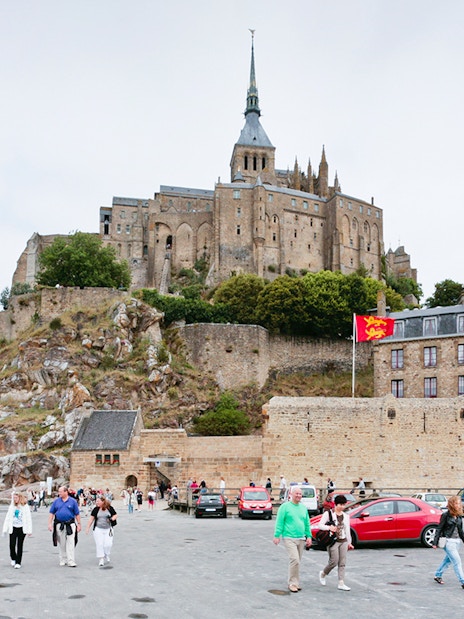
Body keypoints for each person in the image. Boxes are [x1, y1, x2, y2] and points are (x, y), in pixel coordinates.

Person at [273, 485, 312, 592]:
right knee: (294, 559)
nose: (299, 495)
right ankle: (292, 583)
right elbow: (279, 522)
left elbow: (307, 523)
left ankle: (295, 582)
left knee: (297, 561)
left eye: (300, 494)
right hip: (289, 537)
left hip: (301, 538)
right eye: (297, 493)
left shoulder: (303, 508)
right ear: (291, 494)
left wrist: (309, 536)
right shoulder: (285, 507)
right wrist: (277, 535)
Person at [318, 494, 354, 591]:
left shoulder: (346, 516)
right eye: (340, 504)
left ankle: (341, 583)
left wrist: (349, 542)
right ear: (335, 504)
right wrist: (329, 527)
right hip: (333, 541)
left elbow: (347, 530)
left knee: (342, 563)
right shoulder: (328, 514)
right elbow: (320, 525)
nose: (342, 507)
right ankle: (323, 573)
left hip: (344, 541)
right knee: (333, 561)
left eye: (344, 505)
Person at [433, 495, 464, 588]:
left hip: (457, 542)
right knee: (457, 562)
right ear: (452, 504)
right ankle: (463, 581)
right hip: (448, 542)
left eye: (459, 503)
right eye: (457, 503)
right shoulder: (445, 515)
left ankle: (438, 575)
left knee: (448, 561)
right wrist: (435, 542)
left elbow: (460, 531)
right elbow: (439, 528)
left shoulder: (458, 516)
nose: (459, 505)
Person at [48, 486, 81, 567]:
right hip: (59, 524)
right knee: (62, 542)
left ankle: (71, 560)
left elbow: (77, 513)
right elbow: (52, 513)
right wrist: (49, 523)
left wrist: (79, 524)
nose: (59, 493)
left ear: (66, 492)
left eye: (60, 492)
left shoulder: (73, 501)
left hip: (70, 524)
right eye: (59, 492)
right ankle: (63, 559)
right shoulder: (56, 502)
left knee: (70, 542)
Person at [2, 491, 33, 569]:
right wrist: (5, 529)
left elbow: (28, 519)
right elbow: (8, 518)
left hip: (22, 528)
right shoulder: (12, 506)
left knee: (20, 545)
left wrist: (29, 530)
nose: (14, 499)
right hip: (13, 527)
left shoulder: (25, 506)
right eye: (14, 498)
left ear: (20, 497)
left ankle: (18, 562)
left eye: (16, 498)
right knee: (12, 545)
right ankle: (13, 558)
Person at [86, 495, 117, 567]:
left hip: (108, 529)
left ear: (103, 501)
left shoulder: (109, 508)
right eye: (96, 501)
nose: (97, 502)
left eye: (98, 501)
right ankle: (101, 558)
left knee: (108, 544)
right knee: (99, 544)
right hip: (98, 529)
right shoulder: (96, 509)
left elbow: (115, 515)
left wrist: (111, 519)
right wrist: (87, 528)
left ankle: (107, 553)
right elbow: (91, 519)